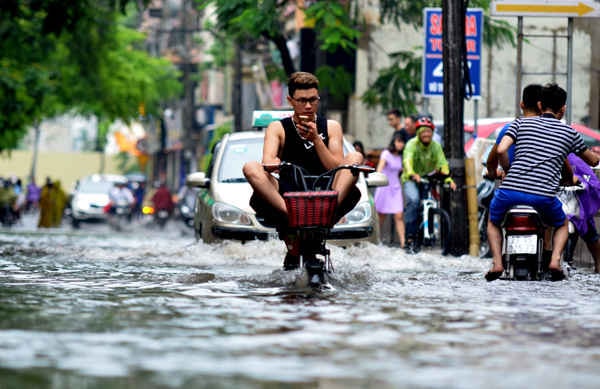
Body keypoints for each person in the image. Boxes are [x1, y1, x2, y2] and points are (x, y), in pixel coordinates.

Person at [243, 71, 363, 270]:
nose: (307, 106)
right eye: (301, 100)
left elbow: (337, 168)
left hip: (326, 193)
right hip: (288, 196)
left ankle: (328, 212)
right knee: (250, 167)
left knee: (355, 158)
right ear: (290, 100)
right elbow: (267, 161)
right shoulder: (278, 128)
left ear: (318, 99)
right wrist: (276, 162)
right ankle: (291, 217)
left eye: (312, 100)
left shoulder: (331, 127)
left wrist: (316, 139)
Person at [485, 83, 600, 282]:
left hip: (509, 192)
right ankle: (555, 260)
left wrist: (508, 169)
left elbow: (501, 150)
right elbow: (592, 160)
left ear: (540, 105)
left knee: (493, 222)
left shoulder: (519, 124)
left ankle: (497, 262)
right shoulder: (569, 132)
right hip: (544, 196)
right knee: (562, 224)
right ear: (563, 109)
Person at [401, 116, 457, 254]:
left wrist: (449, 180)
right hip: (411, 178)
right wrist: (413, 174)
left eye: (429, 132)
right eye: (423, 132)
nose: (426, 134)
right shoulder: (411, 144)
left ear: (432, 133)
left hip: (427, 178)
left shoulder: (436, 146)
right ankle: (409, 237)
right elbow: (407, 161)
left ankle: (428, 232)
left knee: (430, 202)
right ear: (418, 133)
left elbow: (442, 163)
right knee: (414, 201)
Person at [486, 84, 542, 179]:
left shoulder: (510, 128)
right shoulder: (551, 130)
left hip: (512, 186)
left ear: (522, 105)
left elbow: (491, 161)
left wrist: (496, 174)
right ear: (541, 106)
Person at [561, 153, 600, 272]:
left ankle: (598, 265)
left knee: (586, 225)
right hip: (557, 193)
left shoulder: (573, 154)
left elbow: (593, 161)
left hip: (577, 194)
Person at [374, 132, 406, 248]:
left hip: (396, 188)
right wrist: (377, 179)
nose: (400, 144)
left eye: (402, 142)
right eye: (398, 141)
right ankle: (376, 240)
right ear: (394, 141)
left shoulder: (401, 156)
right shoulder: (386, 154)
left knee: (399, 215)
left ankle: (403, 243)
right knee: (381, 216)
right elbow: (380, 169)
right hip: (384, 187)